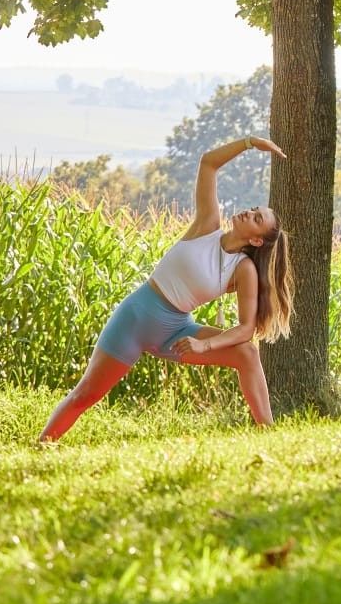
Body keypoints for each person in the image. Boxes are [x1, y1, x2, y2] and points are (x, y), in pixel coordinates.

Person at [40, 136, 295, 441]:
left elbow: (245, 329)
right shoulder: (207, 226)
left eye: (256, 218)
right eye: (253, 209)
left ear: (256, 240)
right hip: (134, 320)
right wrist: (250, 143)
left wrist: (203, 345)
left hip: (175, 333)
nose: (248, 212)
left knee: (247, 354)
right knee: (85, 395)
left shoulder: (243, 270)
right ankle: (42, 445)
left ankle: (268, 435)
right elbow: (208, 163)